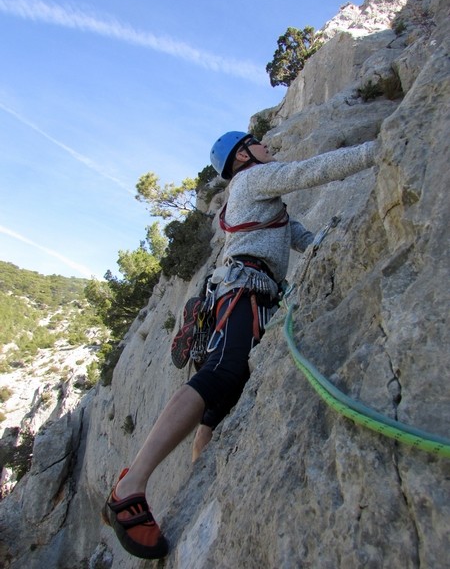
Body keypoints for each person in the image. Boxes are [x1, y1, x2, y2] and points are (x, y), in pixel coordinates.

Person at [103, 131, 378, 559]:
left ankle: (201, 477)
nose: (267, 145)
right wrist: (378, 149)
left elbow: (304, 238)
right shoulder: (251, 181)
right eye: (258, 142)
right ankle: (130, 484)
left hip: (246, 292)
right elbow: (310, 171)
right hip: (244, 290)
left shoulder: (267, 206)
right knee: (225, 374)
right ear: (243, 155)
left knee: (220, 399)